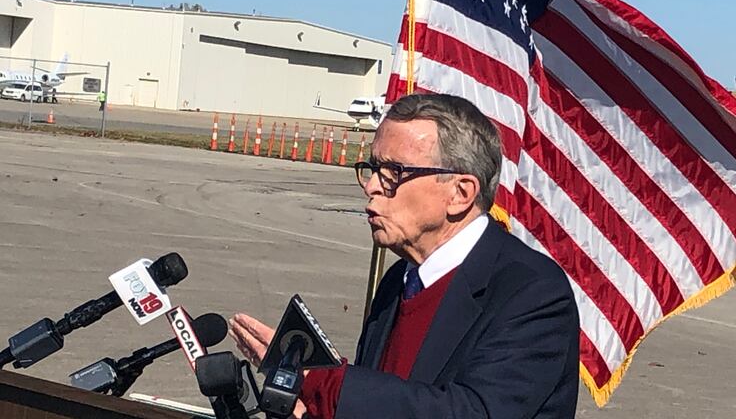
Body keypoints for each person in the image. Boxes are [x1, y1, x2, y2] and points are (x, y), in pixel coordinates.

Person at [230, 93, 580, 418]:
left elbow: (473, 411)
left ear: (460, 193)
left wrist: (328, 384)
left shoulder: (532, 292)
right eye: (372, 168)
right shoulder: (399, 279)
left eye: (394, 172)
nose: (371, 186)